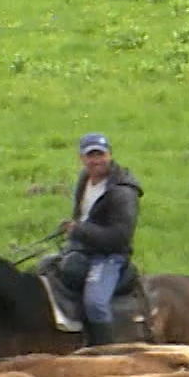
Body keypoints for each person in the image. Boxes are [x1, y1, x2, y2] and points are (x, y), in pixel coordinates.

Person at [61, 132, 143, 347]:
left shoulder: (122, 192)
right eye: (90, 156)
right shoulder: (85, 179)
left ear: (109, 155)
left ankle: (105, 351)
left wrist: (80, 231)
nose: (95, 160)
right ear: (82, 158)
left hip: (110, 256)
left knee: (95, 303)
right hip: (83, 249)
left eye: (100, 154)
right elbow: (82, 215)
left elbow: (120, 237)